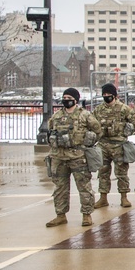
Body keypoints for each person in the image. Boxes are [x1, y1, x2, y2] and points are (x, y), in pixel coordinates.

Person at [45, 88, 102, 227]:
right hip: (59, 157)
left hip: (78, 156)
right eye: (64, 97)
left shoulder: (85, 115)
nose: (66, 100)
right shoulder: (56, 116)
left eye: (69, 97)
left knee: (84, 187)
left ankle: (87, 215)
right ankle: (60, 215)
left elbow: (98, 130)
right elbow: (50, 131)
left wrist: (88, 141)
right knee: (60, 188)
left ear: (76, 99)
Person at [92, 83, 135, 209]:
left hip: (119, 145)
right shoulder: (99, 110)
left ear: (115, 95)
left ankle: (124, 197)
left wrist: (127, 132)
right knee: (103, 172)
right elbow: (92, 124)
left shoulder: (123, 108)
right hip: (103, 145)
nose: (106, 97)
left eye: (109, 95)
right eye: (104, 95)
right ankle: (103, 198)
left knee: (121, 173)